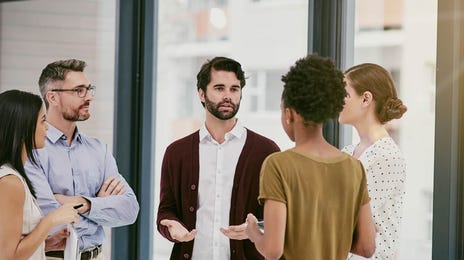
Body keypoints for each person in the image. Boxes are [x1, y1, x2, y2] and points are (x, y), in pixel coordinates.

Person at [245, 54, 377, 260]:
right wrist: (330, 235)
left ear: (289, 114)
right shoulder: (354, 167)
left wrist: (253, 231)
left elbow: (272, 250)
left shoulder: (278, 165)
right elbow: (367, 247)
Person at [156, 56, 280, 259]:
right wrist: (172, 229)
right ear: (202, 94)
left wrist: (255, 229)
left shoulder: (267, 151)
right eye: (219, 88)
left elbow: (280, 219)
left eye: (234, 89)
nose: (228, 96)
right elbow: (165, 212)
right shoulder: (176, 153)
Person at [25, 59, 140, 260]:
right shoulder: (33, 150)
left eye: (89, 89)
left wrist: (84, 203)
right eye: (79, 90)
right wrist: (101, 206)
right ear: (52, 97)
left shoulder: (98, 149)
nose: (88, 97)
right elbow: (48, 215)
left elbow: (130, 209)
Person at [0, 89, 80, 260]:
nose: (47, 127)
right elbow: (7, 256)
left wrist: (46, 243)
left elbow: (13, 243)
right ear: (23, 128)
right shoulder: (10, 183)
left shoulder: (13, 177)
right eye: (43, 120)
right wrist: (50, 221)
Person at [339, 63, 407, 260]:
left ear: (366, 98)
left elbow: (346, 220)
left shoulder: (387, 157)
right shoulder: (347, 153)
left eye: (344, 94)